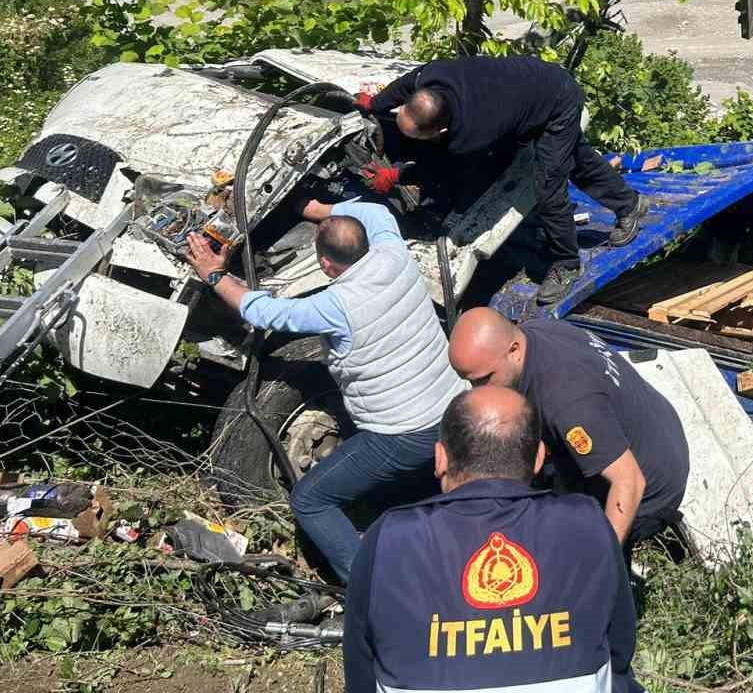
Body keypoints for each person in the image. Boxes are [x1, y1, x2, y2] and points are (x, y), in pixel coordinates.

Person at [184, 197, 465, 582]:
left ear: (326, 265)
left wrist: (214, 275)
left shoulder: (336, 305)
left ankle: (369, 586)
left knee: (311, 499)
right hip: (454, 408)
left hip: (404, 434)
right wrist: (311, 207)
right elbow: (378, 212)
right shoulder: (394, 254)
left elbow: (265, 312)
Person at [344, 386, 643, 693]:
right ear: (539, 458)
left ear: (440, 458)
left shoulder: (389, 538)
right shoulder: (587, 521)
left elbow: (360, 673)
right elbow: (620, 649)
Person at [357, 56, 648, 305]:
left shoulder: (470, 135)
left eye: (418, 137)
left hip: (556, 101)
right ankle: (630, 205)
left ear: (441, 130)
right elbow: (406, 84)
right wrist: (375, 104)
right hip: (531, 87)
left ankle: (567, 264)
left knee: (548, 186)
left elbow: (442, 168)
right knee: (579, 160)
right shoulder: (432, 77)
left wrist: (396, 175)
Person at [447, 308, 688, 550]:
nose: (477, 390)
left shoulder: (566, 403)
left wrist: (599, 564)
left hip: (649, 491)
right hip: (654, 425)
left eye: (483, 379)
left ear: (514, 351)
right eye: (468, 380)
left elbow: (629, 482)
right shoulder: (535, 331)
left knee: (573, 554)